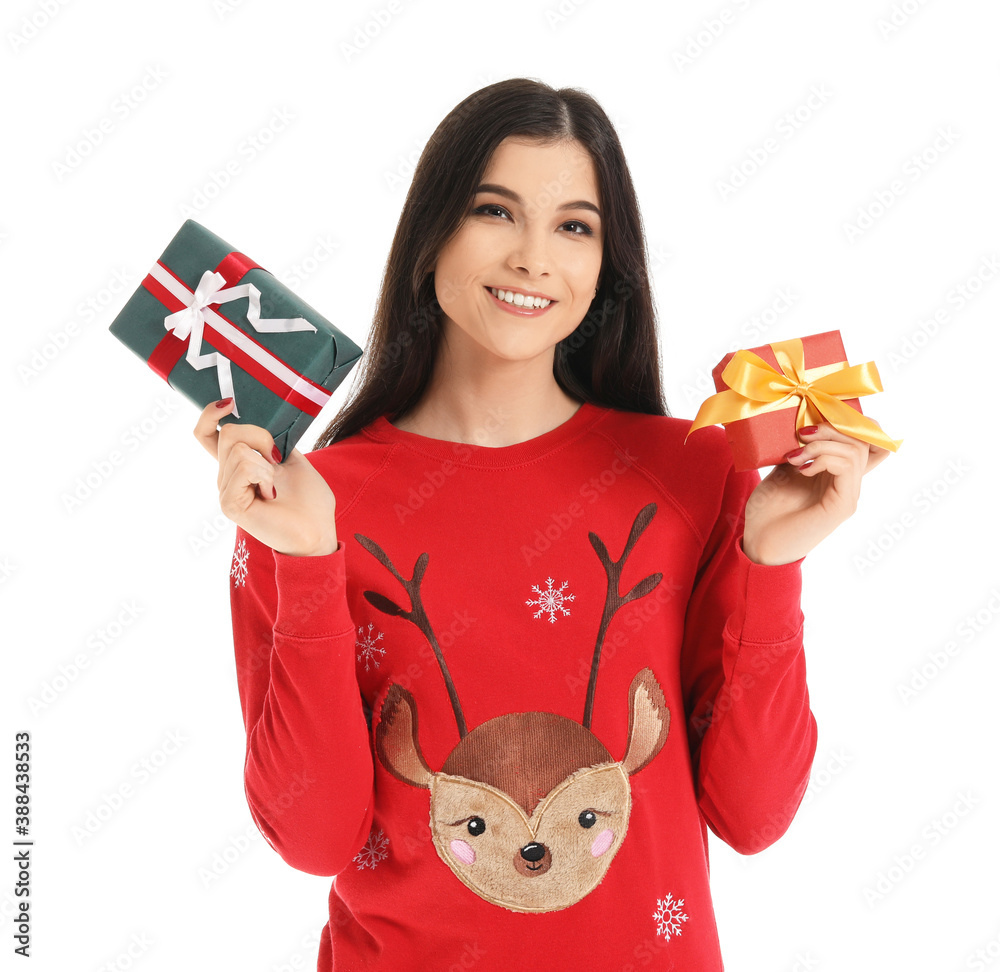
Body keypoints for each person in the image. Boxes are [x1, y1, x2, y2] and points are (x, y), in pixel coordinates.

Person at [194, 78, 888, 971]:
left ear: (608, 266)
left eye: (574, 225)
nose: (533, 257)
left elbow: (754, 816)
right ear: (430, 233)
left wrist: (772, 563)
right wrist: (307, 562)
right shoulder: (303, 504)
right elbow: (314, 838)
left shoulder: (696, 472)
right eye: (495, 210)